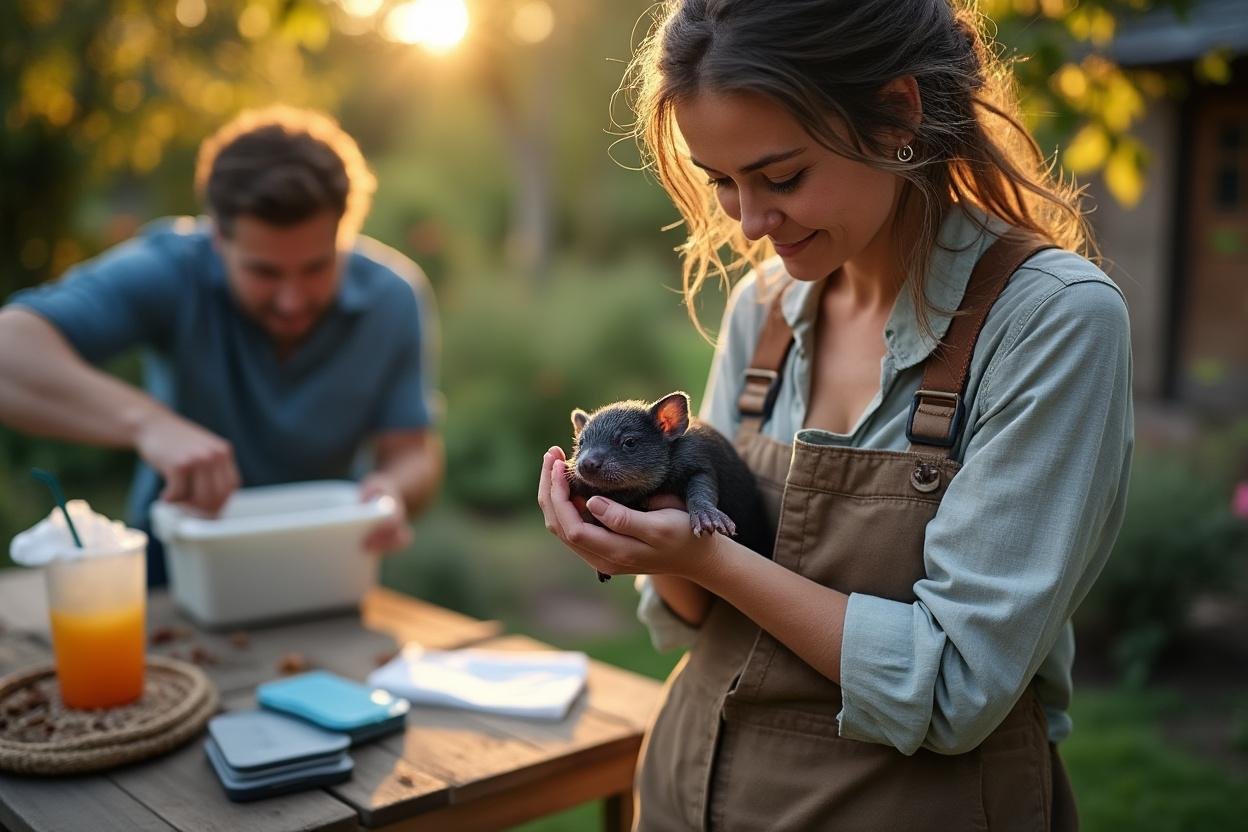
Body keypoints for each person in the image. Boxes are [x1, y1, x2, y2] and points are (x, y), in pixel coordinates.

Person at [537, 1, 1133, 829]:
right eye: (722, 183)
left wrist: (708, 561)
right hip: (681, 791)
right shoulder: (766, 306)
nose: (748, 223)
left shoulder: (1052, 321)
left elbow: (957, 689)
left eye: (781, 177)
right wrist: (635, 534)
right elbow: (688, 622)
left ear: (896, 111)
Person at [0, 106, 443, 586]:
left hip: (322, 581)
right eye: (264, 272)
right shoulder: (170, 269)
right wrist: (149, 426)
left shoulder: (393, 298)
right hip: (172, 585)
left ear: (346, 233)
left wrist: (392, 490)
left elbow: (412, 452)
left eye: (316, 268)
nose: (292, 301)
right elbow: (10, 348)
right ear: (217, 239)